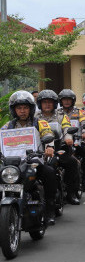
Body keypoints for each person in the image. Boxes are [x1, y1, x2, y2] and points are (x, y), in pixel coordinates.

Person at [2, 91, 58, 224]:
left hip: (33, 161)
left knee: (49, 173)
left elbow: (48, 133)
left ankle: (50, 209)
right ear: (14, 110)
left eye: (25, 108)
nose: (22, 111)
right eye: (19, 108)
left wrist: (49, 147)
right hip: (13, 164)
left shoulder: (40, 122)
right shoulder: (8, 126)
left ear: (31, 109)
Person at [36, 89, 81, 206]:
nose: (47, 104)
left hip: (58, 147)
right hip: (39, 150)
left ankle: (71, 193)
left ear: (55, 103)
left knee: (71, 163)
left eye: (50, 102)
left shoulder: (62, 115)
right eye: (44, 102)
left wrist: (68, 138)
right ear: (39, 104)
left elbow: (67, 127)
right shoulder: (34, 117)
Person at [57, 89, 85, 191]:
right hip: (61, 143)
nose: (67, 102)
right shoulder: (57, 113)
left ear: (73, 101)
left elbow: (84, 122)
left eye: (69, 99)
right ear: (61, 101)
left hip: (77, 141)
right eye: (64, 100)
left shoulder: (80, 112)